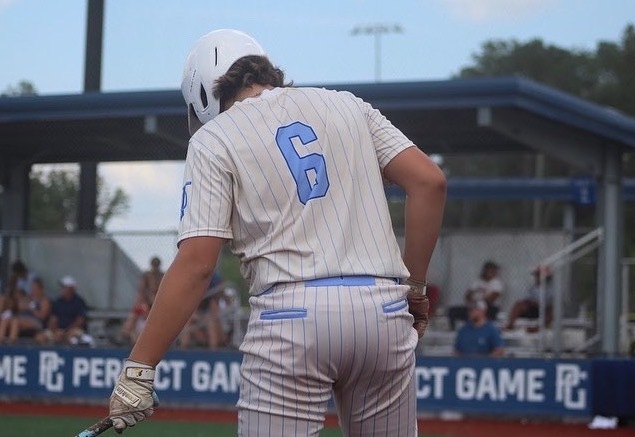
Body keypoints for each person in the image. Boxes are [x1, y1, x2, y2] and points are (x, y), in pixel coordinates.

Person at [105, 28, 446, 436]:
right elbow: (429, 182)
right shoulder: (347, 104)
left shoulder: (213, 139)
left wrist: (140, 367)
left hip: (290, 317)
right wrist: (415, 288)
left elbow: (197, 264)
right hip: (383, 311)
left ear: (203, 92)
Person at [118, 256, 165, 345]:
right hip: (147, 309)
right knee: (133, 320)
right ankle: (125, 336)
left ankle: (127, 336)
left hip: (156, 310)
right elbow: (141, 291)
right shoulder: (147, 277)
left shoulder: (162, 277)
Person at [448, 260, 504, 329]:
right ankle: (453, 330)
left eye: (494, 270)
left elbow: (491, 299)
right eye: (491, 270)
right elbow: (467, 296)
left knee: (481, 311)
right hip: (475, 306)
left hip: (489, 308)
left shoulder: (497, 283)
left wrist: (476, 298)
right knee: (452, 311)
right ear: (485, 270)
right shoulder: (477, 282)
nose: (493, 272)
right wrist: (478, 299)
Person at [35, 276, 89, 345]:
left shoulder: (79, 302)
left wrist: (65, 331)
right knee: (40, 337)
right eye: (62, 287)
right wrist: (55, 331)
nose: (62, 289)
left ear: (71, 289)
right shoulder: (58, 302)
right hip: (58, 330)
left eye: (64, 287)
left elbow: (79, 322)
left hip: (73, 330)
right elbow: (53, 319)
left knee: (71, 337)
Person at [179, 272, 226, 350]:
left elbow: (215, 313)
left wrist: (204, 318)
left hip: (206, 319)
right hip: (195, 320)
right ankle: (184, 349)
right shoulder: (191, 291)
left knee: (211, 322)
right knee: (187, 322)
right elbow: (189, 312)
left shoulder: (211, 297)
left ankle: (213, 351)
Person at [504, 265, 554, 331]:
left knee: (552, 309)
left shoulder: (551, 289)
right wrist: (533, 303)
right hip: (532, 309)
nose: (537, 277)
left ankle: (537, 328)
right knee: (519, 304)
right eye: (536, 275)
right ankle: (510, 325)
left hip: (544, 310)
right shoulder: (531, 288)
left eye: (539, 275)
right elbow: (526, 300)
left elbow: (551, 303)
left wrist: (540, 304)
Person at [2, 277, 52, 344]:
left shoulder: (44, 300)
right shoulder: (28, 298)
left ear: (40, 289)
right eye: (32, 288)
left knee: (16, 321)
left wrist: (32, 309)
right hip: (22, 319)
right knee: (5, 320)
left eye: (35, 288)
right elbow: (18, 307)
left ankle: (11, 343)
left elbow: (42, 316)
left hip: (35, 322)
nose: (33, 290)